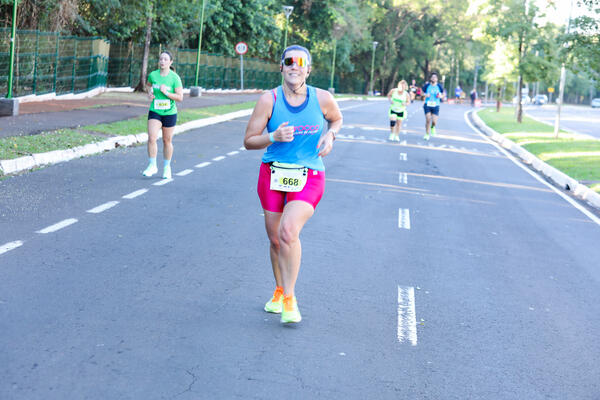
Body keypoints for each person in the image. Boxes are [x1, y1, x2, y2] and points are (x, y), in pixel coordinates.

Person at [243, 45, 343, 324]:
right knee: (275, 239)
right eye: (289, 62)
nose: (295, 67)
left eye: (301, 63)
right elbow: (249, 141)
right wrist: (273, 136)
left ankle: (290, 297)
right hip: (272, 174)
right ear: (281, 67)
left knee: (288, 231)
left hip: (309, 175)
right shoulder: (269, 100)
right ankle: (278, 290)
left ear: (308, 69)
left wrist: (331, 136)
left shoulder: (322, 98)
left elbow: (336, 119)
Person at [142, 50, 184, 179]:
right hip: (155, 110)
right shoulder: (153, 75)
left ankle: (167, 167)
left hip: (170, 112)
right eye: (161, 59)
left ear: (170, 62)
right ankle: (152, 165)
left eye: (165, 59)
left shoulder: (174, 78)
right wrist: (149, 93)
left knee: (167, 140)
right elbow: (148, 86)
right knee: (152, 138)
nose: (162, 61)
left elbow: (180, 97)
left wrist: (166, 93)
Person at [422, 72, 444, 140]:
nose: (434, 78)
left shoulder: (439, 86)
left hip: (436, 105)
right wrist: (425, 95)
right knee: (428, 119)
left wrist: (440, 96)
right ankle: (427, 134)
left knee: (434, 121)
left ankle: (433, 127)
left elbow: (443, 94)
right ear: (430, 78)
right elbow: (422, 92)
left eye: (435, 77)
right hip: (427, 104)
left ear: (437, 79)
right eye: (433, 77)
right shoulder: (427, 85)